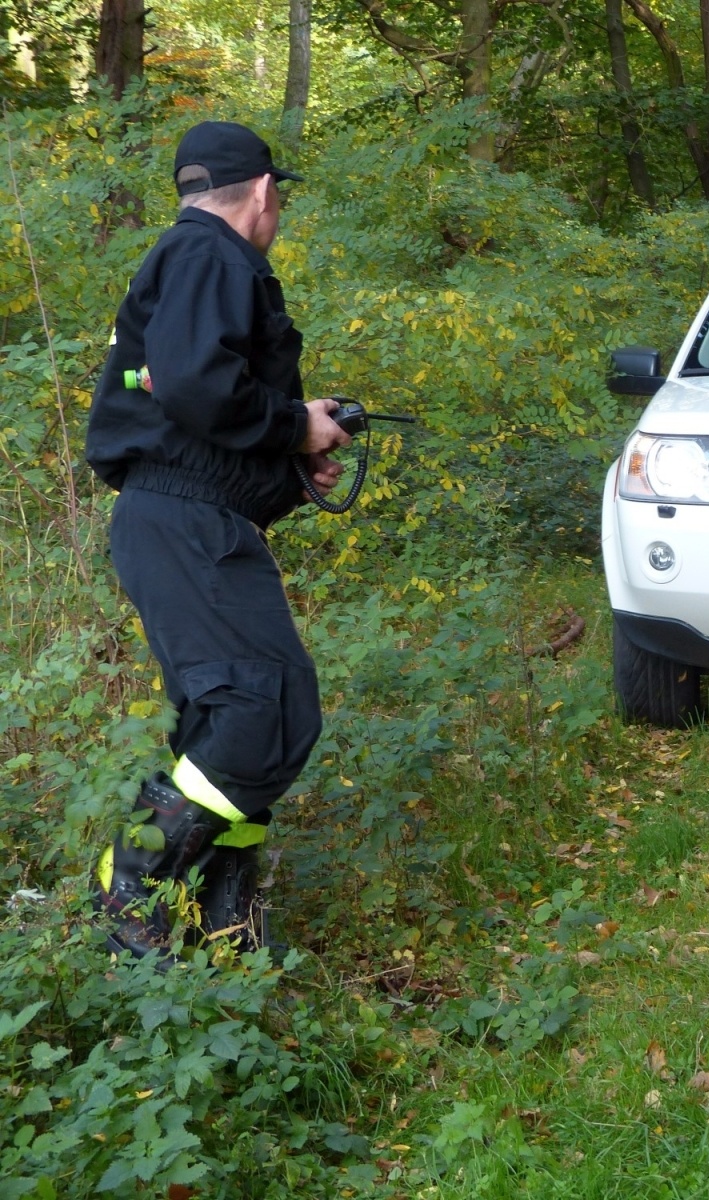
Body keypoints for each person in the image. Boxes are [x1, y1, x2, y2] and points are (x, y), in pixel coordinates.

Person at [85, 121, 352, 958]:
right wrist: (290, 424)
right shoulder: (208, 255)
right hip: (181, 523)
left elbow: (191, 411)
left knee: (235, 714)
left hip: (187, 519)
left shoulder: (190, 258)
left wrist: (292, 462)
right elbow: (203, 386)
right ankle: (131, 881)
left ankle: (223, 917)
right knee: (262, 708)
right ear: (267, 193)